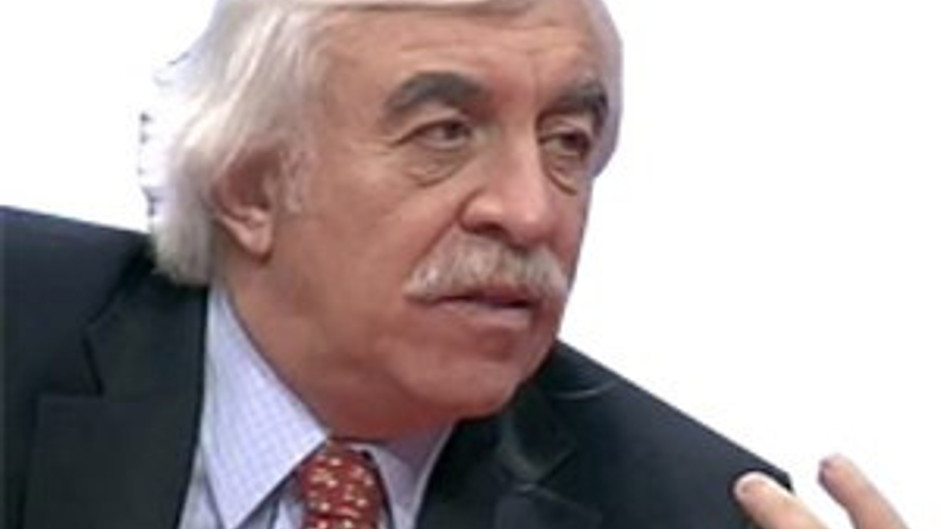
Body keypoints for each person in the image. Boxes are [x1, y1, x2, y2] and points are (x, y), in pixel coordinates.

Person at [0, 0, 912, 528]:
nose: (531, 210)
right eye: (444, 133)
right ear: (251, 185)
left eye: (567, 139)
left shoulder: (689, 512)